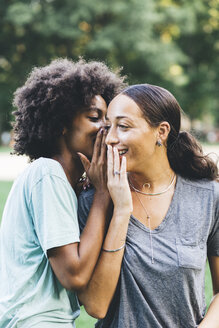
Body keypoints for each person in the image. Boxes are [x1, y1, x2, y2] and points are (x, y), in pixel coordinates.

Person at [0, 58, 131, 327]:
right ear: (61, 123)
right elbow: (75, 276)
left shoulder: (60, 182)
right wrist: (103, 195)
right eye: (94, 118)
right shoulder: (48, 174)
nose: (105, 128)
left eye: (108, 119)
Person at [78, 84, 219, 327]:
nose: (110, 138)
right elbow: (95, 305)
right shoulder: (94, 201)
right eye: (108, 127)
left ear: (161, 131)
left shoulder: (209, 196)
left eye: (123, 126)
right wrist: (121, 210)